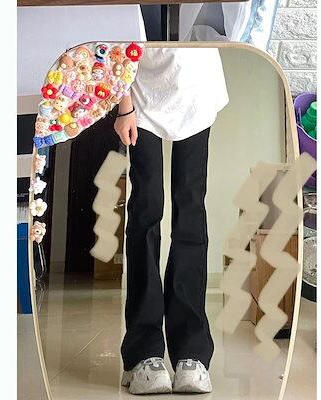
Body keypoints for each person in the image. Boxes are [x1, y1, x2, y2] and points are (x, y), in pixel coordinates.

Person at [114, 47, 229, 395]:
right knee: (146, 208)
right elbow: (114, 36)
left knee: (190, 209)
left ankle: (191, 352)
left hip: (196, 87)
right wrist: (123, 105)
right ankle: (143, 352)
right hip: (140, 87)